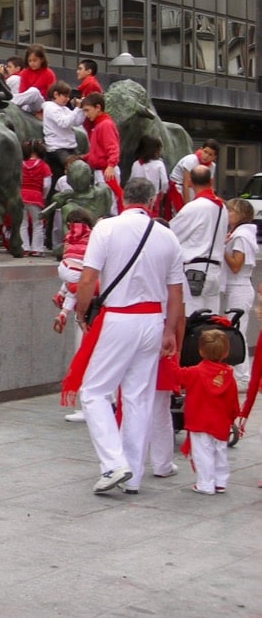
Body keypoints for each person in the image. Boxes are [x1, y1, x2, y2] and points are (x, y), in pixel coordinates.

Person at [65, 177, 184, 495]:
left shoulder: (106, 228)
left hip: (120, 317)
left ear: (124, 198)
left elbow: (88, 277)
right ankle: (131, 475)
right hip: (153, 320)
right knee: (137, 398)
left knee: (94, 392)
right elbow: (176, 293)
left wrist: (81, 309)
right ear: (152, 200)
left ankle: (114, 463)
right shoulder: (167, 236)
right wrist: (170, 330)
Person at [175, 329, 240, 495]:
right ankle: (220, 482)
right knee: (220, 452)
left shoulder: (193, 372)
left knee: (202, 454)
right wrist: (232, 417)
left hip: (199, 421)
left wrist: (170, 357)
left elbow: (176, 375)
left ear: (200, 351)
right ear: (225, 353)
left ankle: (205, 483)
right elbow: (233, 401)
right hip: (220, 422)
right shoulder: (228, 376)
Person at [170, 165, 227, 318]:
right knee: (211, 324)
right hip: (215, 270)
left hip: (194, 271)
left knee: (192, 321)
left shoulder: (194, 207)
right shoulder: (222, 208)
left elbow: (170, 235)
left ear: (189, 182)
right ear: (211, 181)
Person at [221, 197, 256, 383]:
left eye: (231, 211)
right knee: (234, 329)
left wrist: (221, 249)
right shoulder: (237, 234)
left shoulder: (241, 237)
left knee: (237, 330)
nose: (228, 214)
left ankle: (242, 375)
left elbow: (236, 265)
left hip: (239, 287)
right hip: (236, 287)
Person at [52, 208, 95, 335]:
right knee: (76, 290)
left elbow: (65, 251)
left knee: (70, 279)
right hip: (77, 270)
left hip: (63, 266)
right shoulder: (92, 234)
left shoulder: (69, 235)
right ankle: (63, 313)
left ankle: (60, 294)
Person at [81, 92, 121, 213]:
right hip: (104, 170)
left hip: (106, 171)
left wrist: (110, 165)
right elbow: (98, 151)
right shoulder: (100, 124)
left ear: (98, 107)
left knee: (109, 205)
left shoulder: (105, 125)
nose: (86, 114)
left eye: (87, 110)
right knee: (107, 204)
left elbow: (113, 148)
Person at [168, 139, 219, 215]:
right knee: (182, 214)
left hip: (195, 188)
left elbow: (209, 186)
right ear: (201, 149)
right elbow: (185, 184)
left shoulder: (212, 166)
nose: (206, 156)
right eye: (205, 152)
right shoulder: (191, 160)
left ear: (214, 157)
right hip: (179, 187)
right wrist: (187, 206)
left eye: (210, 154)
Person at [20, 139, 52, 257]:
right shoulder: (44, 166)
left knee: (22, 223)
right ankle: (37, 248)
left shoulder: (20, 165)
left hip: (21, 196)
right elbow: (47, 185)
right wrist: (43, 195)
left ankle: (24, 247)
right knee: (37, 223)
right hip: (36, 197)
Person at [41, 81, 84, 167]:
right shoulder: (50, 108)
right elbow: (64, 123)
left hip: (70, 146)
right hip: (57, 148)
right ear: (56, 94)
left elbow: (76, 122)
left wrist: (81, 109)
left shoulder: (64, 109)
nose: (68, 99)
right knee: (75, 168)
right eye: (65, 96)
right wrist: (77, 109)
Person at [129, 135, 168, 201]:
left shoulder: (136, 164)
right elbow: (165, 182)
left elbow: (131, 180)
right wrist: (163, 192)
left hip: (138, 196)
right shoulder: (159, 164)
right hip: (153, 196)